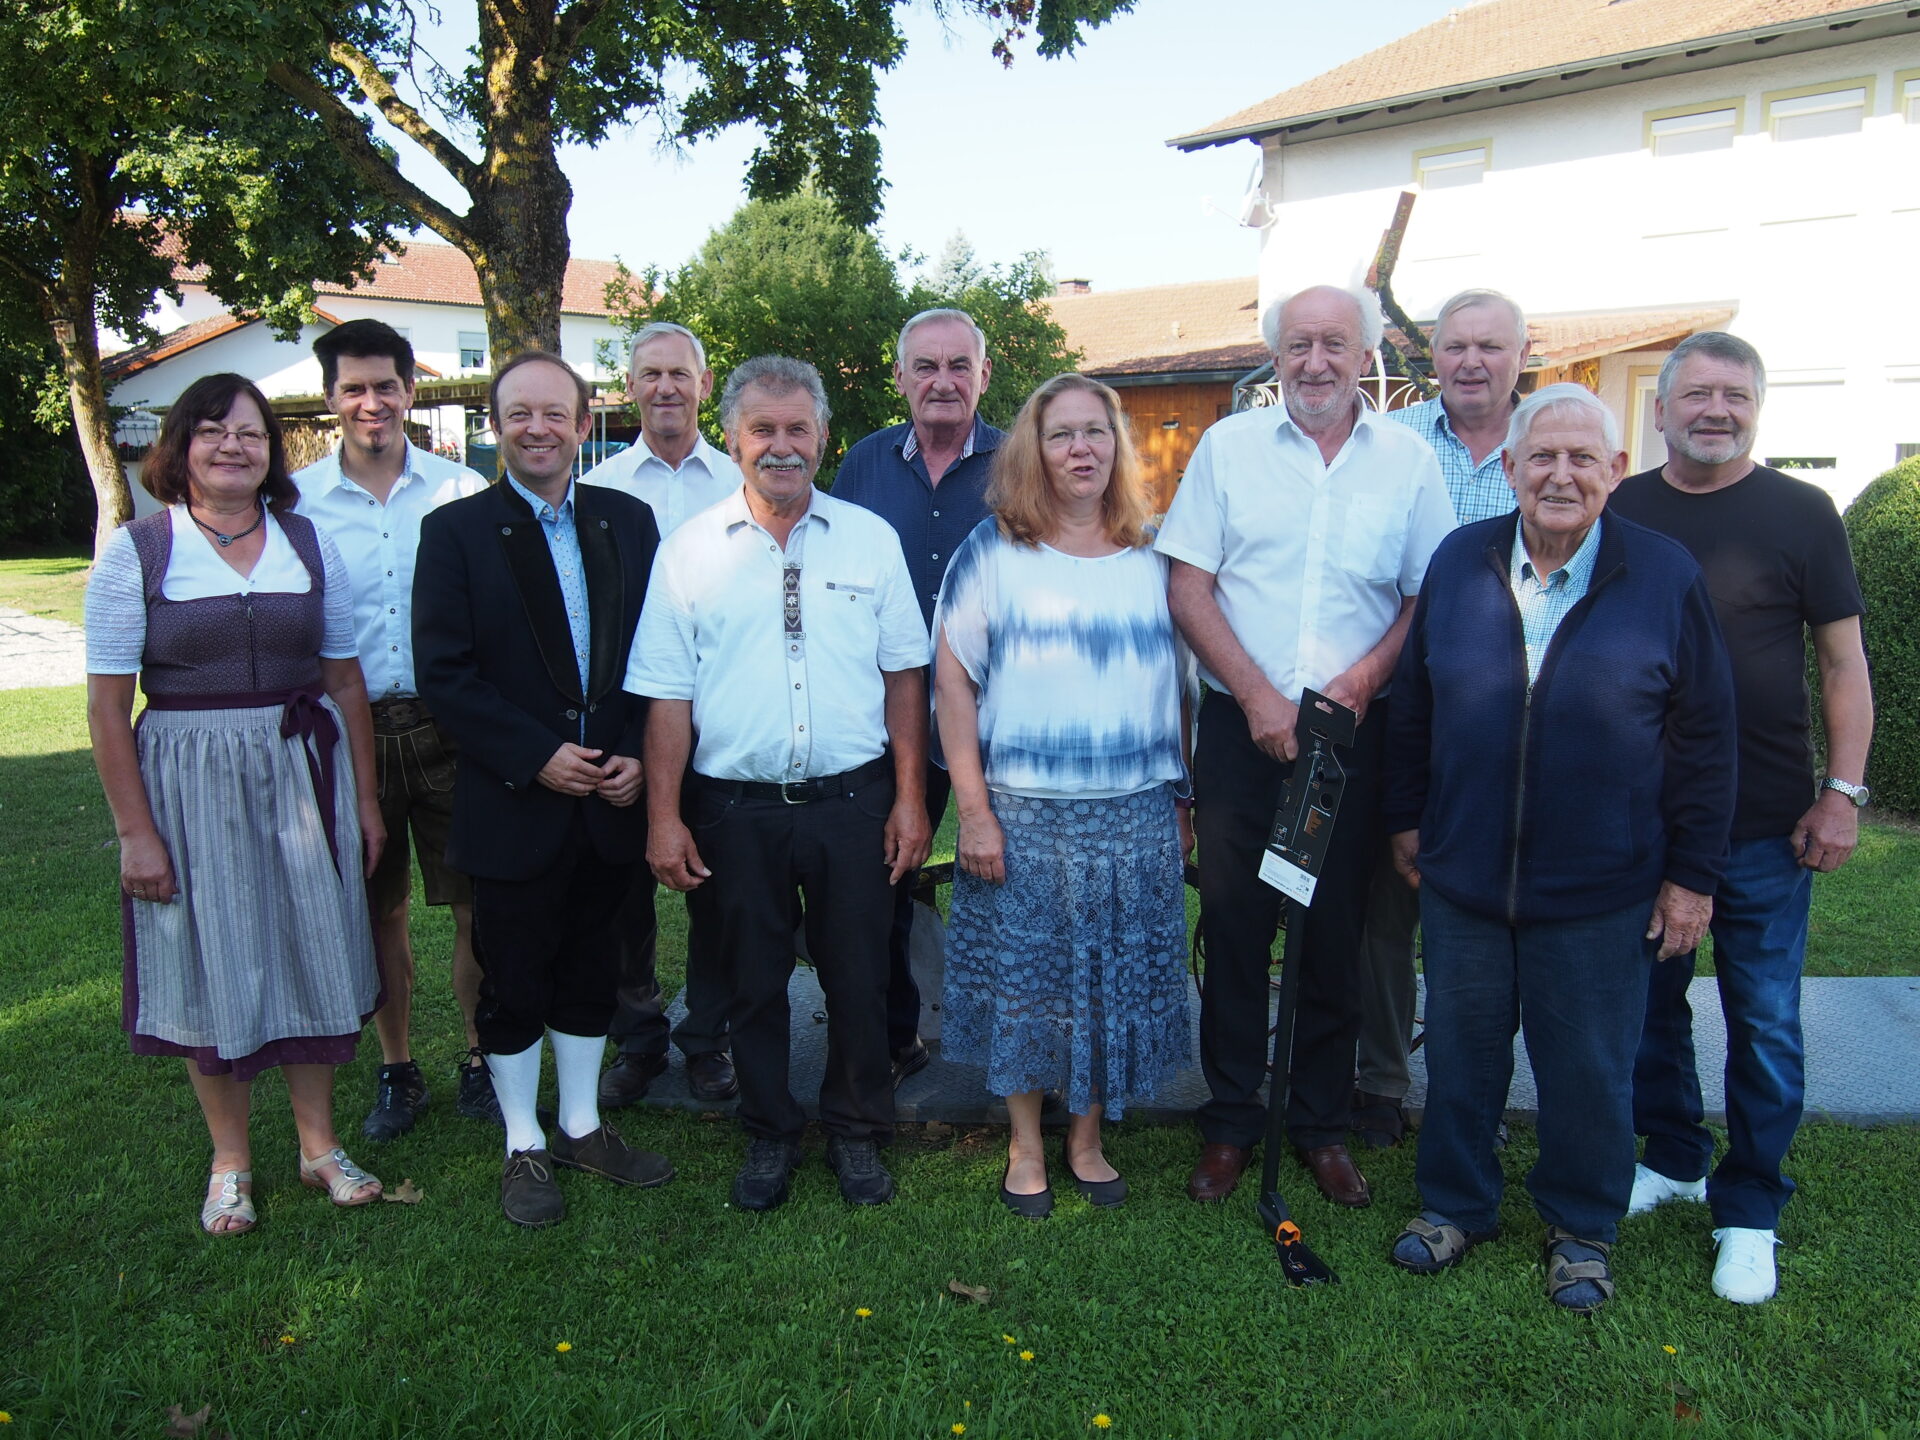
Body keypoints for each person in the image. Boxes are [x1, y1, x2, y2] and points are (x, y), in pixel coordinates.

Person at [1382, 383, 1736, 1313]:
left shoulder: (1663, 575)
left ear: (1618, 472)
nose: (1562, 474)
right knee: (1461, 1056)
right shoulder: (1461, 561)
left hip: (1602, 887)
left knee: (1588, 1070)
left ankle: (1583, 1228)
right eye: (1543, 456)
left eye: (1584, 458)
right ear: (1509, 467)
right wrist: (1408, 820)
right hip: (1465, 879)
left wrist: (1691, 878)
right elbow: (1413, 709)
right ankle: (1456, 1205)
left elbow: (1706, 740)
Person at [1157, 284, 1454, 1210]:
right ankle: (1234, 1118)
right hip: (1245, 740)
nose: (1316, 361)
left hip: (1349, 743)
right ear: (1275, 354)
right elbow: (1188, 585)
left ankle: (1322, 1126)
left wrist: (1358, 685)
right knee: (1237, 930)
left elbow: (1424, 599)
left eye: (1335, 343)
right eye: (1298, 344)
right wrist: (1254, 697)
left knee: (1333, 936)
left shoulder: (1407, 463)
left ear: (1367, 353)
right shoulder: (1227, 448)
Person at [85, 373, 387, 1235]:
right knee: (213, 957)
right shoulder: (139, 551)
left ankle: (319, 1146)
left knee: (313, 944)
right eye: (213, 430)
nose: (233, 446)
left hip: (304, 770)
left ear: (271, 451)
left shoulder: (305, 540)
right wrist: (136, 833)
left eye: (251, 433)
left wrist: (364, 801)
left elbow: (343, 679)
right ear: (179, 448)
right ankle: (230, 1161)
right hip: (189, 780)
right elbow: (109, 707)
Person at [630, 355, 932, 1212]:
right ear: (732, 439)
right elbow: (667, 693)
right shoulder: (689, 552)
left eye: (798, 428)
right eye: (763, 429)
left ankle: (855, 1131)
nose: (782, 446)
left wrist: (910, 798)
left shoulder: (870, 539)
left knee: (859, 977)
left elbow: (905, 675)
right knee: (753, 982)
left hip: (853, 803)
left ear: (824, 436)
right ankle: (768, 1133)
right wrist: (664, 817)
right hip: (736, 809)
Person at [1616, 332, 1874, 1305]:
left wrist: (1841, 793)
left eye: (1735, 396)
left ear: (1755, 410)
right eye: (1697, 395)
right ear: (1663, 409)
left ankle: (1752, 1206)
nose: (1715, 411)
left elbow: (1843, 664)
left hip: (1770, 822)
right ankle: (1675, 1156)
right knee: (1649, 1009)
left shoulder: (1801, 513)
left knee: (1763, 1022)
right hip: (1644, 823)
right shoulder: (1625, 509)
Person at [413, 351, 670, 1228]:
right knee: (514, 977)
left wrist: (636, 747)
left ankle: (583, 1124)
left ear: (583, 419)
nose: (537, 428)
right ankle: (523, 1141)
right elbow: (445, 675)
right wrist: (536, 753)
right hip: (515, 798)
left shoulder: (629, 523)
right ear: (494, 424)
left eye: (553, 413)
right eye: (518, 413)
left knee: (593, 969)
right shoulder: (455, 534)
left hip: (610, 801)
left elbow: (657, 656)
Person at [934, 373, 1194, 1218]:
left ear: (1117, 447)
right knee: (1028, 986)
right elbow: (953, 686)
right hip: (1023, 813)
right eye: (1060, 435)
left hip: (1134, 813)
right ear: (1033, 452)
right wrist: (973, 812)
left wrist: (1183, 801)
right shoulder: (993, 551)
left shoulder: (1158, 556)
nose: (1081, 449)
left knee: (1105, 986)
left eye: (1095, 432)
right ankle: (1023, 1144)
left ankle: (1086, 1140)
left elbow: (1183, 694)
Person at [293, 319, 491, 1139]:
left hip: (453, 725)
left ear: (411, 390)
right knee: (379, 909)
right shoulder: (295, 503)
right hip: (353, 731)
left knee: (476, 902)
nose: (370, 402)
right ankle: (397, 1067)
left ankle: (482, 1058)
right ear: (332, 398)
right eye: (353, 388)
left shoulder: (461, 492)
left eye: (385, 385)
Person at [1352, 289, 1533, 1148]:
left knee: (1496, 918)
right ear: (1433, 356)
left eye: (1489, 346)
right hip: (1405, 708)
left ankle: (1480, 1096)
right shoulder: (1389, 444)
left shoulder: (1552, 444)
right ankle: (1382, 1083)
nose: (1470, 361)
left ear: (1520, 357)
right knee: (1392, 906)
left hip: (1521, 726)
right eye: (1454, 345)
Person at [833, 308, 1003, 1086]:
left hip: (999, 720)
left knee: (1008, 880)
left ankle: (1011, 1045)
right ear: (899, 377)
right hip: (885, 718)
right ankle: (894, 1038)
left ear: (983, 376)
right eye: (925, 367)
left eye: (958, 366)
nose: (943, 382)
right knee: (884, 877)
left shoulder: (1019, 461)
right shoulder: (860, 466)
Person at [580, 322, 742, 1107]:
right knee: (620, 892)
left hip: (720, 720)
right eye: (651, 374)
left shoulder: (741, 480)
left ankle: (708, 1037)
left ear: (705, 385)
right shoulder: (599, 488)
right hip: (621, 721)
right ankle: (637, 1036)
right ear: (630, 386)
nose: (666, 387)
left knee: (717, 887)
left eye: (681, 373)